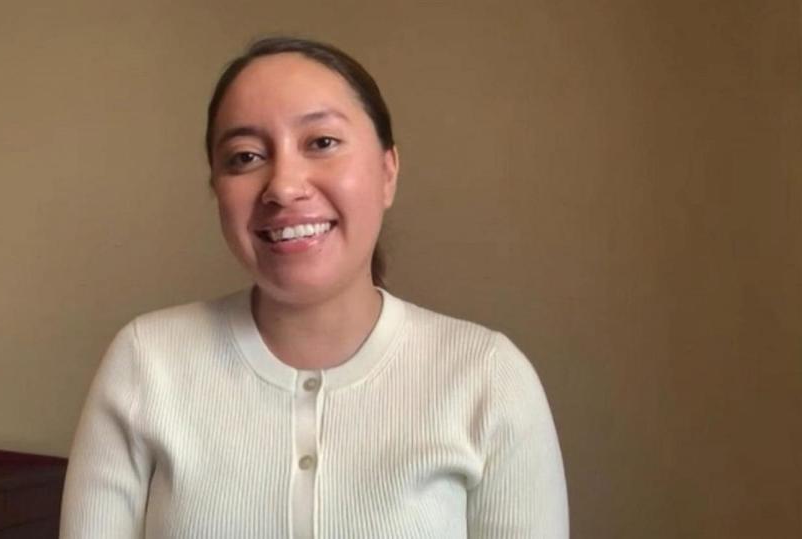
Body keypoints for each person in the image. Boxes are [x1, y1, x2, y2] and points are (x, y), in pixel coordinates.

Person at [60, 37, 568, 538]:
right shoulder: (146, 362)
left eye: (322, 143)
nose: (283, 185)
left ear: (387, 171)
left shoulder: (488, 378)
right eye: (244, 156)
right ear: (217, 187)